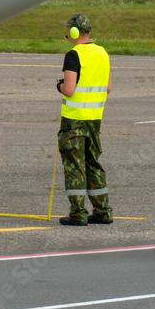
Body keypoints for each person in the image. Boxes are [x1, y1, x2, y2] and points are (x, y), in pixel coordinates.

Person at [56, 13, 113, 226]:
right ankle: (103, 211)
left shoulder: (73, 55)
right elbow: (107, 88)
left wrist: (59, 86)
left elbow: (69, 90)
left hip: (74, 120)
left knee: (74, 166)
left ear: (74, 32)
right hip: (94, 120)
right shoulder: (102, 53)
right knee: (93, 164)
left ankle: (78, 213)